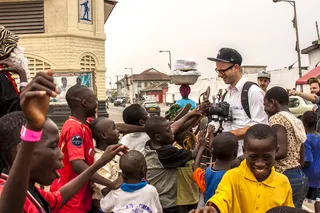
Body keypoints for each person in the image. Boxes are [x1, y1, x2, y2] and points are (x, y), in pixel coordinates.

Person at [0, 70, 129, 213]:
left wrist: (101, 161)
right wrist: (33, 128)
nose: (62, 155)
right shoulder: (6, 196)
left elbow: (59, 198)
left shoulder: (36, 193)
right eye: (53, 146)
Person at [189, 124, 294, 213]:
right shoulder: (232, 177)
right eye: (253, 157)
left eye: (267, 157)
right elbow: (222, 198)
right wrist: (213, 209)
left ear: (276, 151)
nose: (260, 163)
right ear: (244, 151)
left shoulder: (283, 182)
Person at [50, 85, 119, 213]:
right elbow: (77, 165)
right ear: (85, 103)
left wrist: (145, 127)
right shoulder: (74, 128)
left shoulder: (85, 123)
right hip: (71, 202)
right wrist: (110, 183)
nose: (97, 103)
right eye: (95, 100)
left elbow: (110, 126)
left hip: (82, 198)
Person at [207, 47, 268, 156]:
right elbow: (222, 121)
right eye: (217, 70)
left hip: (245, 159)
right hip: (228, 158)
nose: (219, 75)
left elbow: (261, 127)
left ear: (235, 67)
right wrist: (210, 130)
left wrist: (228, 136)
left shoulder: (253, 92)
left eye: (222, 70)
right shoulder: (226, 94)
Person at [144, 116, 206, 213]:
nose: (172, 132)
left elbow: (178, 130)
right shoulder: (166, 153)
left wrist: (193, 115)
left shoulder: (151, 144)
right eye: (168, 131)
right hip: (166, 202)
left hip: (157, 198)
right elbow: (193, 154)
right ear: (158, 137)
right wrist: (201, 144)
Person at [264, 86, 308, 208]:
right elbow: (302, 156)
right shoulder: (296, 120)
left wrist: (260, 157)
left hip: (285, 177)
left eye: (265, 104)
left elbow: (282, 152)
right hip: (300, 176)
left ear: (272, 103)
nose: (264, 109)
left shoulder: (277, 118)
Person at [192, 132, 238, 204]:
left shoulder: (207, 174)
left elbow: (195, 167)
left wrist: (202, 148)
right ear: (235, 154)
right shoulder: (233, 177)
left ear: (212, 153)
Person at [90, 117, 121, 212]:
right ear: (104, 135)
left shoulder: (114, 153)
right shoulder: (99, 159)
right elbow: (106, 191)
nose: (118, 131)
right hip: (104, 208)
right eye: (114, 128)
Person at [0, 26, 29, 118]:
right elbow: (17, 112)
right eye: (12, 49)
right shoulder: (1, 76)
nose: (16, 52)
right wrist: (22, 74)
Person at [301, 111, 320, 213]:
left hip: (309, 173)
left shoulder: (306, 139)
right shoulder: (319, 136)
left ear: (303, 122)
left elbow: (307, 160)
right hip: (319, 172)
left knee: (301, 198)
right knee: (318, 198)